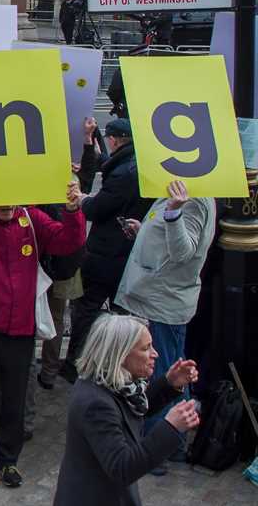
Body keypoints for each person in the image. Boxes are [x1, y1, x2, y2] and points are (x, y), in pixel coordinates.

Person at [0, 182, 86, 489]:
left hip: (19, 329)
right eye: (0, 202)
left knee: (15, 400)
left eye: (11, 202)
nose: (6, 206)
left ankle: (7, 460)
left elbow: (68, 242)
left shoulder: (31, 218)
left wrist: (73, 209)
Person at [114, 180, 215, 463]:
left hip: (162, 303)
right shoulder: (182, 189)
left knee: (163, 376)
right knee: (173, 370)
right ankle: (171, 441)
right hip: (159, 298)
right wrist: (143, 230)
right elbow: (169, 240)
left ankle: (163, 447)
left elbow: (184, 251)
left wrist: (173, 212)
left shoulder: (192, 197)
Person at [53, 314, 200, 506]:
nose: (155, 354)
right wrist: (170, 427)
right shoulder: (95, 405)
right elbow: (122, 467)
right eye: (146, 348)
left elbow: (130, 410)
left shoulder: (109, 383)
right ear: (120, 354)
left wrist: (169, 383)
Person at [63, 118, 151, 383]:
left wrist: (82, 200)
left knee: (85, 308)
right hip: (126, 254)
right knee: (122, 310)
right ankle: (120, 364)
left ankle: (77, 364)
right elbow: (104, 167)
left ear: (114, 140)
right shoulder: (136, 163)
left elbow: (96, 208)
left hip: (106, 255)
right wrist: (90, 145)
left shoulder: (124, 173)